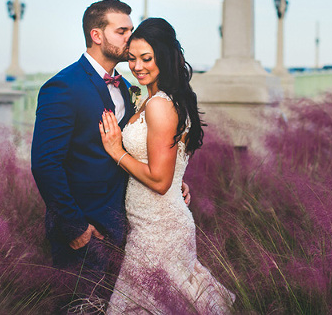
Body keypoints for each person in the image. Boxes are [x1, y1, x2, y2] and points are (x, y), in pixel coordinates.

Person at [30, 0, 190, 306]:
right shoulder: (63, 87)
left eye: (131, 30)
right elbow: (45, 165)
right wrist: (76, 227)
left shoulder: (129, 86)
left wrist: (173, 176)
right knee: (80, 308)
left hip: (128, 228)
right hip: (86, 231)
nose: (130, 38)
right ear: (97, 35)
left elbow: (140, 145)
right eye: (122, 31)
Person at [98, 18, 235, 314]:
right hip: (152, 223)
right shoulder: (154, 100)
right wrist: (178, 181)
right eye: (131, 58)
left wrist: (116, 150)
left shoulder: (160, 105)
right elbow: (168, 168)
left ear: (164, 57)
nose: (137, 66)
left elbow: (160, 181)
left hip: (158, 230)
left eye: (146, 58)